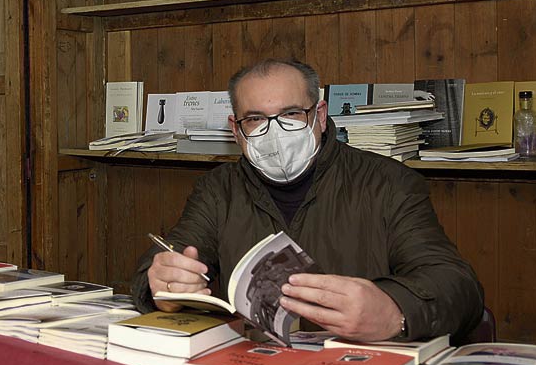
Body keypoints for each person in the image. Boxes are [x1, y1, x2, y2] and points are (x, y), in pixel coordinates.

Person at [133, 59, 484, 342]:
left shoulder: (388, 183)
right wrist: (164, 282)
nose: (274, 132)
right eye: (255, 119)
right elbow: (171, 256)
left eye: (290, 113)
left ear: (318, 115)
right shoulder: (217, 190)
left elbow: (457, 284)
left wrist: (395, 311)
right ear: (236, 130)